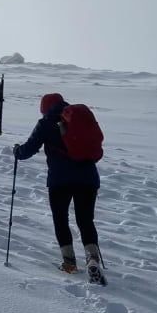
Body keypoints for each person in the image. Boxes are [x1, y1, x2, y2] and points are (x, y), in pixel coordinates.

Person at [13, 93, 103, 280]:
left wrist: (17, 151)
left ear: (44, 108)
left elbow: (28, 150)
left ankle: (69, 262)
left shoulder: (46, 123)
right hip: (88, 179)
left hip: (60, 180)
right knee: (85, 220)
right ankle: (92, 259)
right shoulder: (79, 119)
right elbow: (97, 151)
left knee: (61, 219)